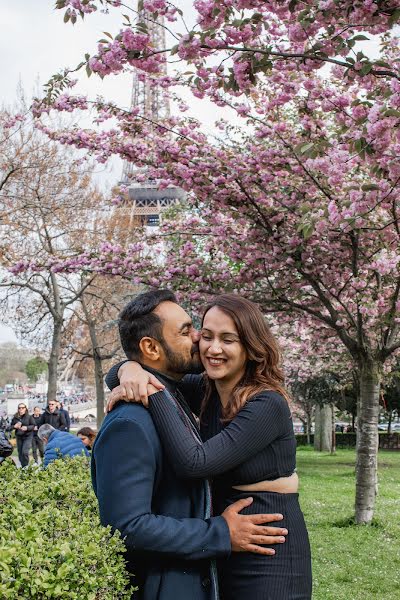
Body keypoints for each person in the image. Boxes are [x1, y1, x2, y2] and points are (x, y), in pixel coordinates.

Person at [108, 293, 312, 599]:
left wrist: (150, 387)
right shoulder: (207, 389)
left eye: (228, 339)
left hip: (268, 550)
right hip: (225, 544)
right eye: (207, 336)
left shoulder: (267, 403)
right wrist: (131, 370)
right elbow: (128, 372)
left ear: (250, 347)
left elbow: (195, 462)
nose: (212, 348)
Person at [9, 403, 35, 467]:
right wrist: (14, 426)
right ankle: (23, 466)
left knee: (25, 452)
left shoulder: (29, 417)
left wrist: (27, 428)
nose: (21, 409)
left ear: (25, 409)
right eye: (19, 408)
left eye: (22, 408)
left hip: (28, 436)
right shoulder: (15, 417)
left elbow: (33, 426)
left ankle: (26, 465)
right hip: (19, 437)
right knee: (20, 453)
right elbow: (9, 427)